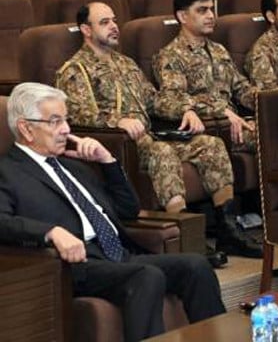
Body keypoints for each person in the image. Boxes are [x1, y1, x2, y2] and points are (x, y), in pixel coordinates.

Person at [0, 82, 226, 341]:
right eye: (54, 121)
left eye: (65, 119)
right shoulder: (8, 172)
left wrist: (107, 161)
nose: (66, 129)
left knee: (196, 266)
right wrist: (50, 232)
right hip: (74, 266)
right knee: (146, 276)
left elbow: (128, 210)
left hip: (119, 257)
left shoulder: (75, 167)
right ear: (26, 128)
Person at [55, 2, 260, 259]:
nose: (114, 27)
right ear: (86, 29)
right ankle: (188, 239)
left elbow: (154, 100)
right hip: (118, 144)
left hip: (149, 137)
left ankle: (228, 230)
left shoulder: (125, 63)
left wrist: (184, 108)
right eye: (105, 22)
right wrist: (115, 121)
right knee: (162, 152)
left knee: (211, 145)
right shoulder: (76, 70)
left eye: (114, 21)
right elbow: (75, 113)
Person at [153, 0, 258, 153]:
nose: (211, 16)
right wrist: (219, 110)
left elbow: (241, 88)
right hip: (208, 127)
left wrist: (267, 102)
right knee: (268, 139)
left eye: (212, 10)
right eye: (202, 10)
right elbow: (170, 99)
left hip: (233, 123)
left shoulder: (219, 50)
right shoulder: (170, 55)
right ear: (182, 16)